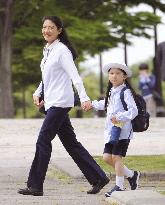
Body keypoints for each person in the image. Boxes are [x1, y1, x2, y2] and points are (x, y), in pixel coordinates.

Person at [18, 16, 109, 196]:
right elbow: (47, 78)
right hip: (53, 102)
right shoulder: (48, 50)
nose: (47, 30)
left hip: (60, 103)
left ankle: (35, 185)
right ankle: (98, 177)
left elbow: (75, 77)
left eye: (51, 27)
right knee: (71, 143)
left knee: (43, 140)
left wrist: (84, 98)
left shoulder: (62, 51)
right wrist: (38, 92)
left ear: (59, 30)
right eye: (44, 27)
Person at [91, 62, 140, 197]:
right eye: (111, 73)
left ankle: (119, 186)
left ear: (124, 77)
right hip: (112, 131)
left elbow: (133, 111)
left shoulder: (126, 92)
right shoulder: (112, 91)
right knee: (107, 158)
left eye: (118, 73)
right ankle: (132, 175)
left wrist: (119, 116)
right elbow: (105, 104)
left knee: (116, 157)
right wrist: (92, 104)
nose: (114, 76)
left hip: (123, 131)